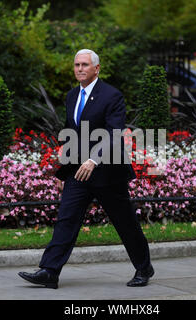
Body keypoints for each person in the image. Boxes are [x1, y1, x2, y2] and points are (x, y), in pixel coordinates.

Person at [18, 49, 154, 288]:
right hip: (77, 172)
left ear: (96, 69)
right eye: (76, 65)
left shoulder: (112, 96)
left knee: (125, 223)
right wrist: (63, 169)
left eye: (84, 65)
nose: (79, 69)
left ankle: (144, 268)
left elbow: (113, 134)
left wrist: (94, 160)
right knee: (66, 219)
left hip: (107, 172)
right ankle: (49, 271)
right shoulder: (72, 96)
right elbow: (71, 132)